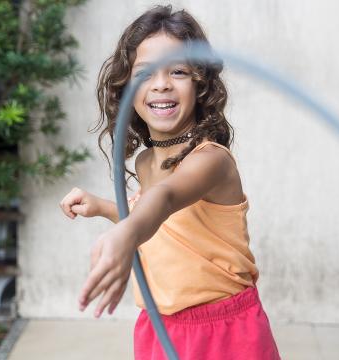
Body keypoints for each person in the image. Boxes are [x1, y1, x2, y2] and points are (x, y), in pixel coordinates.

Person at [59, 4, 281, 359]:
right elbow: (159, 226)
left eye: (178, 71)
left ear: (200, 84)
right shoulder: (146, 161)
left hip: (225, 330)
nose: (161, 83)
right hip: (160, 326)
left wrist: (125, 235)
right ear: (126, 88)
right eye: (144, 74)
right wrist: (104, 209)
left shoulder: (211, 161)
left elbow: (164, 198)